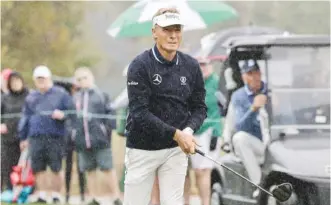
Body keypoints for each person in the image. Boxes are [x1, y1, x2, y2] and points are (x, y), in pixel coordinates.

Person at [124, 7, 207, 205]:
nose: (173, 36)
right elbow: (139, 113)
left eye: (177, 30)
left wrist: (187, 131)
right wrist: (178, 134)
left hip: (174, 150)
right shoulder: (140, 65)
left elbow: (199, 108)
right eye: (167, 30)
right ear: (154, 32)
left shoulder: (191, 66)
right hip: (142, 148)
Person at [18, 65, 75, 204]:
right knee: (38, 167)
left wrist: (63, 115)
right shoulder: (31, 96)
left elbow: (72, 112)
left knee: (56, 166)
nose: (41, 81)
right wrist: (23, 137)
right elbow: (25, 117)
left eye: (43, 78)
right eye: (38, 79)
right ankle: (42, 193)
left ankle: (56, 194)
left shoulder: (61, 94)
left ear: (49, 78)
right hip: (36, 136)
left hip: (55, 135)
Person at [72, 67, 122, 205]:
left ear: (91, 77)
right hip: (82, 140)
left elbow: (110, 114)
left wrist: (106, 130)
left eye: (85, 77)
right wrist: (74, 134)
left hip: (100, 139)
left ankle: (116, 197)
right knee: (89, 169)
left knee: (107, 168)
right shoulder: (75, 97)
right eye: (79, 79)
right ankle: (94, 198)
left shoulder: (102, 94)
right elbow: (72, 118)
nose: (83, 81)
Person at [226, 59, 267, 198]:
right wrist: (253, 109)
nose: (254, 76)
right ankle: (259, 184)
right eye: (250, 73)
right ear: (244, 77)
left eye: (256, 72)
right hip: (257, 145)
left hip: (275, 144)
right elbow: (239, 126)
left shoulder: (270, 90)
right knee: (239, 138)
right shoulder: (239, 96)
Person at [186, 58, 223, 205]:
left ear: (211, 65)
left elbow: (224, 109)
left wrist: (216, 133)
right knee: (185, 172)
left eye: (205, 64)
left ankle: (205, 203)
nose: (203, 67)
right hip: (188, 131)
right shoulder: (190, 82)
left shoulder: (218, 83)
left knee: (202, 171)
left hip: (209, 132)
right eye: (199, 64)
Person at [1, 71, 29, 191]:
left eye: (17, 81)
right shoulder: (5, 98)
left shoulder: (29, 96)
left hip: (24, 137)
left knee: (24, 164)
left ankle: (25, 190)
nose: (15, 84)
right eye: (12, 82)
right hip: (8, 137)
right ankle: (9, 189)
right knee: (7, 164)